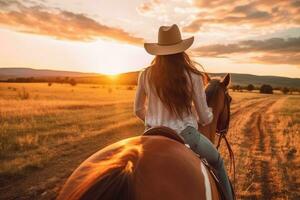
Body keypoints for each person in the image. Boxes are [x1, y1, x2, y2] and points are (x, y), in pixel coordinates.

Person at [134, 24, 233, 200]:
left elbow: (138, 109)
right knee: (217, 162)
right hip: (186, 135)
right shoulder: (193, 76)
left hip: (150, 135)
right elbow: (204, 117)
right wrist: (207, 114)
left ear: (159, 50)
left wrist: (153, 120)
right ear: (181, 49)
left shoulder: (145, 74)